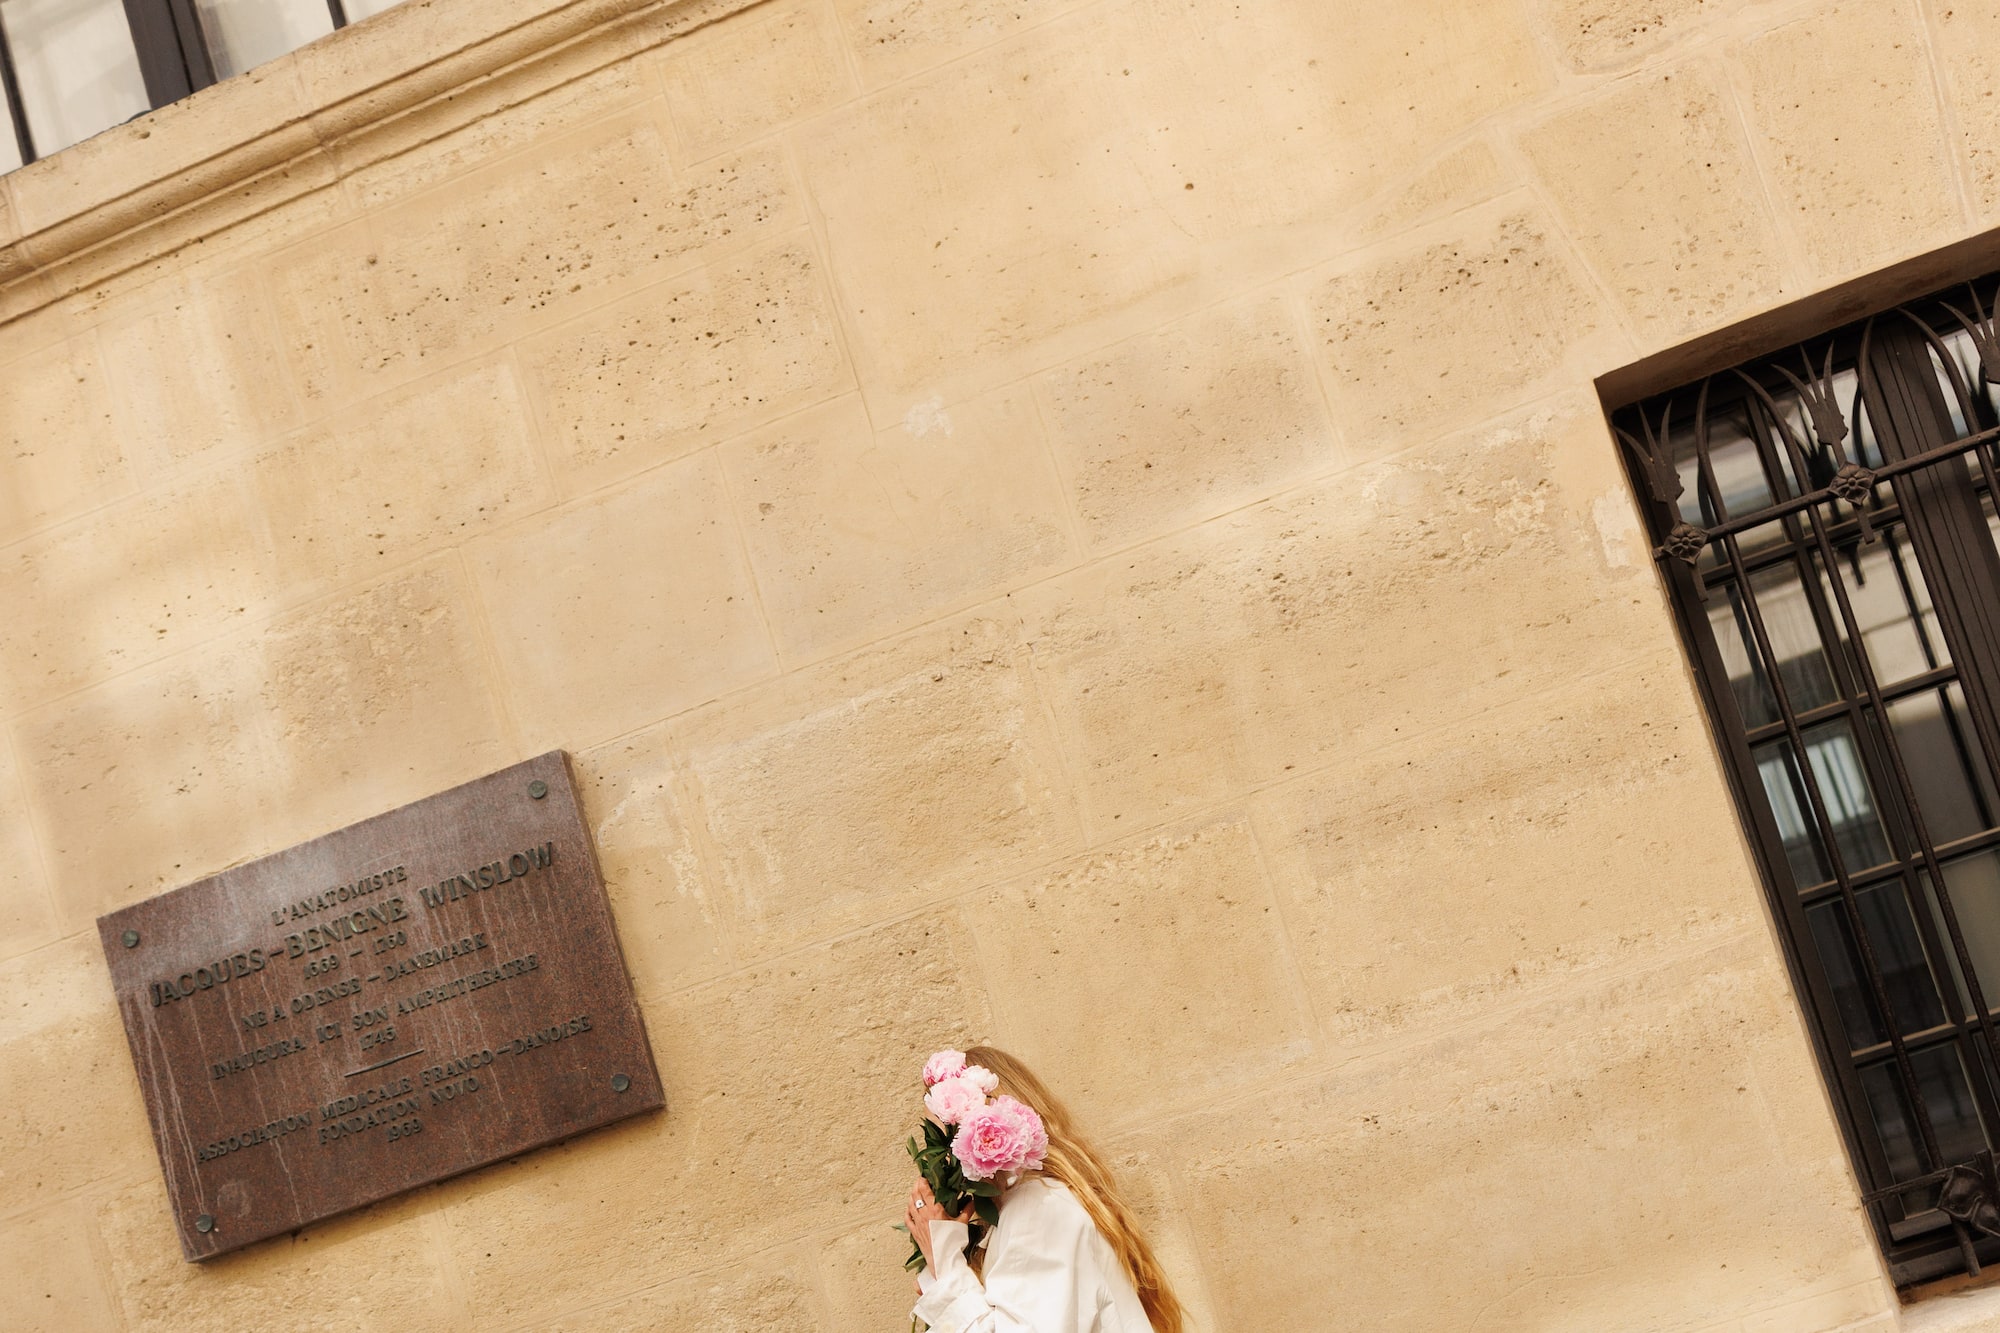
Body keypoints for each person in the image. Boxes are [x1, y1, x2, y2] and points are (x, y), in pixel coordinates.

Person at [904, 1045, 1187, 1333]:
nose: (943, 1160)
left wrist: (945, 1264)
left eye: (947, 1137)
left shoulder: (1035, 1209)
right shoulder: (1032, 1206)